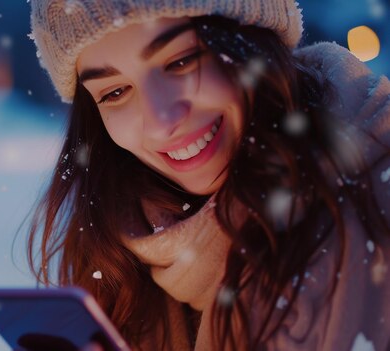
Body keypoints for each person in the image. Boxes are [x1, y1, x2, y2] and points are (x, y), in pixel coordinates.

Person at [26, 0, 390, 350]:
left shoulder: (376, 202)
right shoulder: (124, 266)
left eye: (181, 61)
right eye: (115, 92)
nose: (160, 122)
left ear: (251, 41)